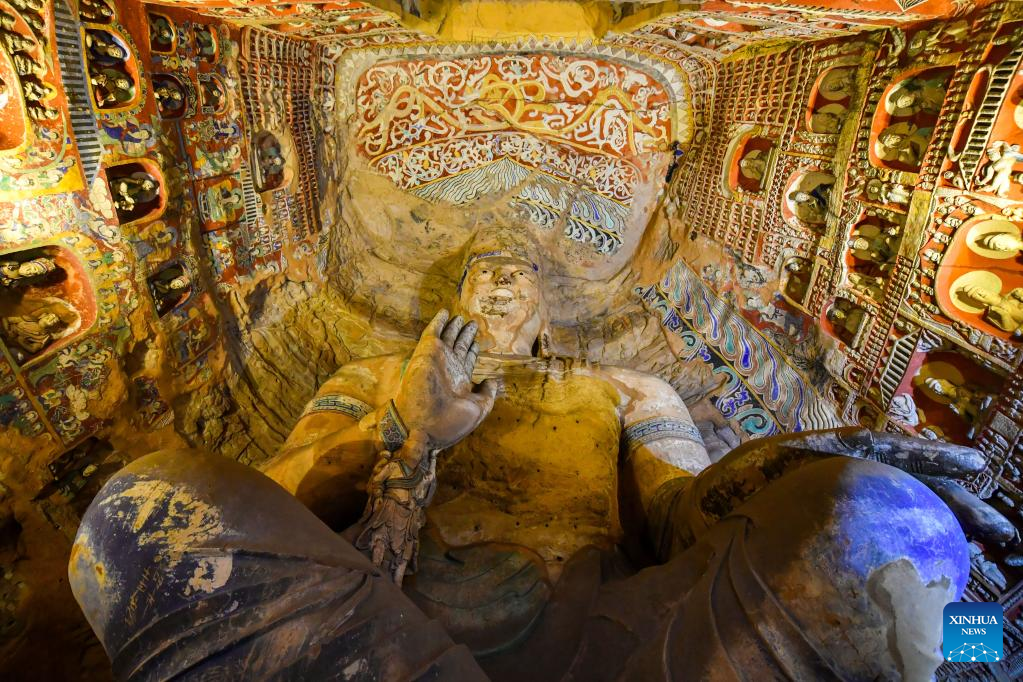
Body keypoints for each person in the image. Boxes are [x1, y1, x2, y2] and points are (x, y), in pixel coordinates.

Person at [70, 224, 1012, 681]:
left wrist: (774, 470)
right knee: (137, 512)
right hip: (367, 631)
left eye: (514, 274)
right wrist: (403, 430)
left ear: (544, 309)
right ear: (451, 298)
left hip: (603, 629)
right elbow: (273, 502)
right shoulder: (373, 374)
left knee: (885, 523)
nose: (495, 282)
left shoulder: (625, 389)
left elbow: (680, 516)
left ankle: (990, 645)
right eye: (479, 272)